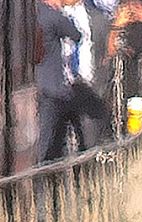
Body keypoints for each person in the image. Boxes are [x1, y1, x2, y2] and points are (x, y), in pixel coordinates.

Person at [37, 0, 111, 161]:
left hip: (65, 88)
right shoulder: (51, 16)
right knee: (51, 143)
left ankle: (59, 178)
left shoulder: (40, 14)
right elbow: (75, 33)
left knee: (57, 142)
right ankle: (47, 180)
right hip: (59, 90)